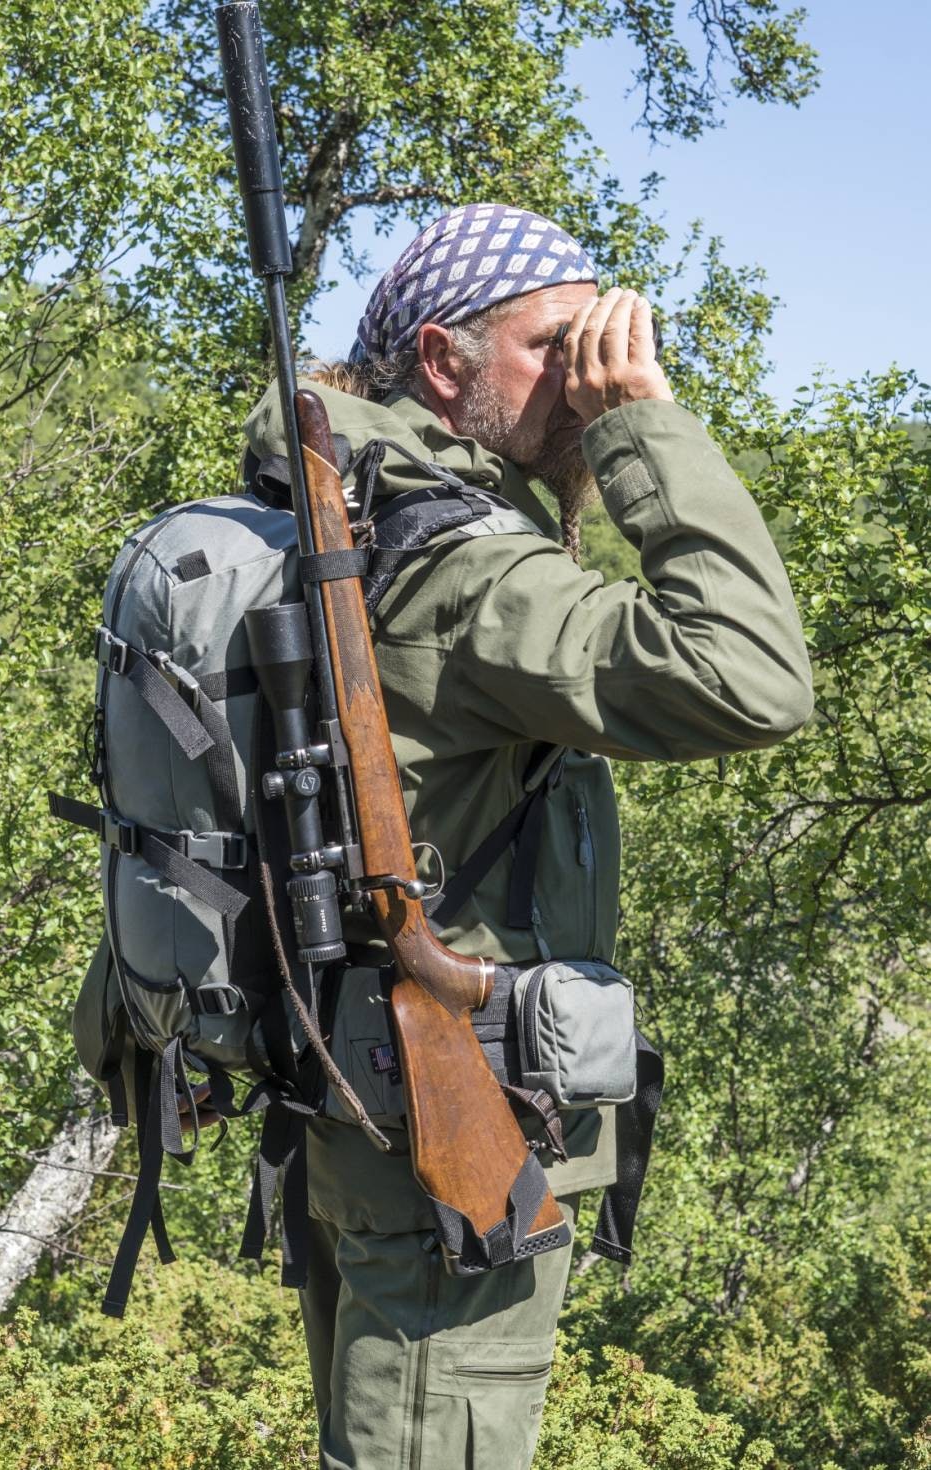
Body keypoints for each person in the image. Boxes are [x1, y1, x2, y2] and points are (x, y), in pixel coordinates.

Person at [242, 201, 814, 1470]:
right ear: (442, 364)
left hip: (359, 1105)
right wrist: (640, 431)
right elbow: (752, 680)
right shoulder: (463, 579)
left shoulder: (345, 526)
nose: (592, 370)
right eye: (556, 347)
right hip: (448, 1137)